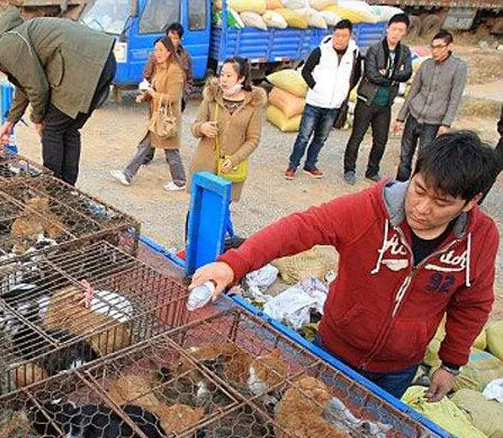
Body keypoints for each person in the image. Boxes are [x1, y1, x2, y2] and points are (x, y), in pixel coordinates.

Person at [190, 131, 500, 401]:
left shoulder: (480, 238)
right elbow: (301, 227)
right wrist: (233, 265)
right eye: (419, 190)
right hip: (334, 351)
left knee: (364, 437)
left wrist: (451, 364)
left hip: (397, 369)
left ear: (471, 201)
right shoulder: (369, 210)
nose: (422, 207)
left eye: (441, 203)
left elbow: (473, 304)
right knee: (311, 420)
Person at [0, 9, 115, 186]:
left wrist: (38, 119)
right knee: (68, 129)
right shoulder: (11, 34)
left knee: (51, 130)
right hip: (103, 60)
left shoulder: (4, 47)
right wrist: (11, 121)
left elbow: (37, 88)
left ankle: (53, 190)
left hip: (84, 65)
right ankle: (67, 188)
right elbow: (25, 82)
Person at [285, 20, 360, 180]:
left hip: (334, 106)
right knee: (304, 136)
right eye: (337, 35)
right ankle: (293, 165)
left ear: (350, 36)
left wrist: (344, 92)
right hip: (315, 103)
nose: (340, 39)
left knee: (321, 138)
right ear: (333, 34)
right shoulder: (321, 51)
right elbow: (306, 71)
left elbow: (356, 75)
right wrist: (316, 87)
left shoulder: (354, 54)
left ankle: (310, 164)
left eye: (344, 36)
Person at [110, 36, 186, 191]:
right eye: (155, 50)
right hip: (158, 116)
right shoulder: (160, 68)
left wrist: (152, 93)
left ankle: (179, 181)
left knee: (170, 150)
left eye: (160, 50)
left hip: (167, 117)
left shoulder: (175, 71)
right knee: (148, 145)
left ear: (169, 52)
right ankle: (128, 174)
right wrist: (145, 96)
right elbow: (155, 88)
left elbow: (173, 98)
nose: (157, 53)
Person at [343, 13, 412, 185]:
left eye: (400, 30)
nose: (396, 33)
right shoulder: (374, 49)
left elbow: (407, 73)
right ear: (387, 29)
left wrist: (387, 73)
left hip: (385, 103)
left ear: (405, 32)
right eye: (394, 29)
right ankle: (349, 169)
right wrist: (394, 77)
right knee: (357, 137)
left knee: (381, 141)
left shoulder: (404, 52)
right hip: (367, 100)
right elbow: (372, 75)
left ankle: (372, 170)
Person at [188, 57, 266, 202]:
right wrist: (202, 127)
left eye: (229, 76)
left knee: (221, 209)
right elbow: (194, 127)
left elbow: (253, 140)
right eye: (222, 74)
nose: (223, 79)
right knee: (197, 208)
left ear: (241, 78)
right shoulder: (211, 97)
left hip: (229, 168)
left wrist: (234, 160)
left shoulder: (253, 104)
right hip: (204, 165)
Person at [394, 30, 467, 182]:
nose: (435, 51)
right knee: (405, 154)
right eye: (433, 47)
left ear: (449, 46)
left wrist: (446, 123)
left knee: (424, 157)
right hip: (414, 115)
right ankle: (400, 183)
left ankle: (416, 186)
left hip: (433, 122)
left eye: (440, 47)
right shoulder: (426, 65)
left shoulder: (458, 67)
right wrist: (401, 118)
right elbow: (413, 92)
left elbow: (455, 98)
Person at [141, 21, 193, 167]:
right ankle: (145, 157)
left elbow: (189, 79)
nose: (172, 41)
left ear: (180, 39)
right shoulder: (156, 55)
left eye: (175, 38)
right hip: (157, 100)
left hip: (174, 101)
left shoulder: (185, 57)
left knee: (169, 129)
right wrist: (150, 92)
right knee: (153, 127)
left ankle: (174, 165)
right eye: (170, 37)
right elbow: (147, 74)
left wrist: (184, 96)